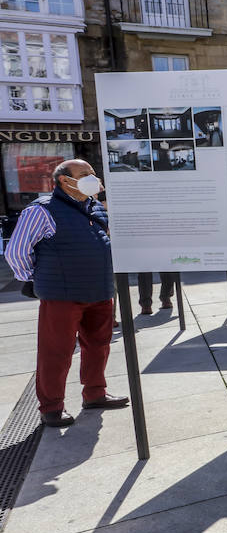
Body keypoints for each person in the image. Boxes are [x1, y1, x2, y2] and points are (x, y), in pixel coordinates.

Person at [4, 160, 129, 427]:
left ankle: (95, 393)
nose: (92, 179)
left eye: (93, 174)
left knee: (98, 345)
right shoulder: (41, 210)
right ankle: (51, 407)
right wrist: (36, 279)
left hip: (99, 290)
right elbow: (16, 251)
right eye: (84, 175)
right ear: (64, 181)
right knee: (56, 352)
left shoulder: (96, 208)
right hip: (62, 295)